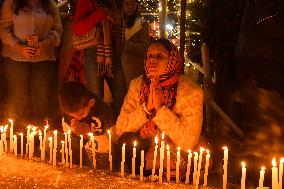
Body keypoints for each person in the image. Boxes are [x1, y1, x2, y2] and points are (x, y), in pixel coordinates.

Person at [111, 38, 204, 176]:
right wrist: (147, 109)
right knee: (127, 141)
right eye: (149, 55)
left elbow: (188, 141)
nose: (152, 60)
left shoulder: (190, 91)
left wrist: (160, 108)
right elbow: (120, 128)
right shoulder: (137, 85)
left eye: (159, 56)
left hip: (174, 149)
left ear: (172, 60)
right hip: (144, 145)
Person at [0, 0, 62, 127]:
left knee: (42, 95)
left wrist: (46, 44)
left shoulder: (49, 5)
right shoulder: (11, 3)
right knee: (18, 95)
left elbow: (57, 30)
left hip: (42, 58)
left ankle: (43, 130)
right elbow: (4, 30)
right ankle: (11, 131)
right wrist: (19, 48)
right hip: (15, 58)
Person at [73, 0, 127, 117]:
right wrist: (101, 14)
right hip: (94, 51)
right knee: (95, 97)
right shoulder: (87, 1)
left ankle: (119, 127)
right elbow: (77, 29)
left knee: (122, 95)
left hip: (114, 51)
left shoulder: (115, 3)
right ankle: (97, 129)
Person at [56, 81, 116, 167]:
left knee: (100, 145)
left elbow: (112, 141)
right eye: (74, 116)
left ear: (91, 102)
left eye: (81, 114)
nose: (78, 118)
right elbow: (69, 137)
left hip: (100, 157)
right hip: (80, 154)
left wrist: (89, 133)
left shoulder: (104, 113)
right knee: (51, 138)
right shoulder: (69, 111)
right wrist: (75, 132)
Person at [121, 0, 149, 87]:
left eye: (133, 3)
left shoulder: (142, 24)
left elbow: (144, 47)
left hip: (134, 67)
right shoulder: (117, 22)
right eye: (126, 3)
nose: (130, 6)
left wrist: (125, 45)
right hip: (118, 67)